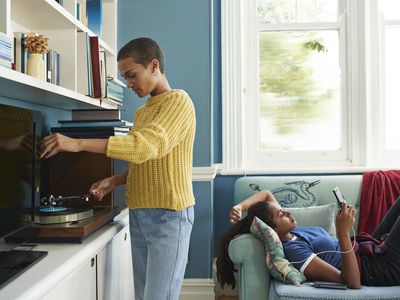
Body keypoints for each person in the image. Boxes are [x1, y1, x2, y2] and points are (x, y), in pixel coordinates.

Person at [41, 37, 196, 300]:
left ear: (154, 66)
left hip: (169, 216)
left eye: (132, 75)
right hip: (140, 214)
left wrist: (77, 143)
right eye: (125, 77)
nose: (129, 84)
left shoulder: (179, 102)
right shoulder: (143, 112)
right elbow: (147, 162)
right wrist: (115, 180)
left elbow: (144, 147)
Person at [217, 190, 400, 289]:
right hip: (378, 268)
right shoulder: (295, 252)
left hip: (370, 247)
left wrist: (240, 206)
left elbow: (265, 194)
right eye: (282, 214)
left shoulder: (290, 231)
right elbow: (352, 282)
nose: (289, 212)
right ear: (273, 229)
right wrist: (343, 232)